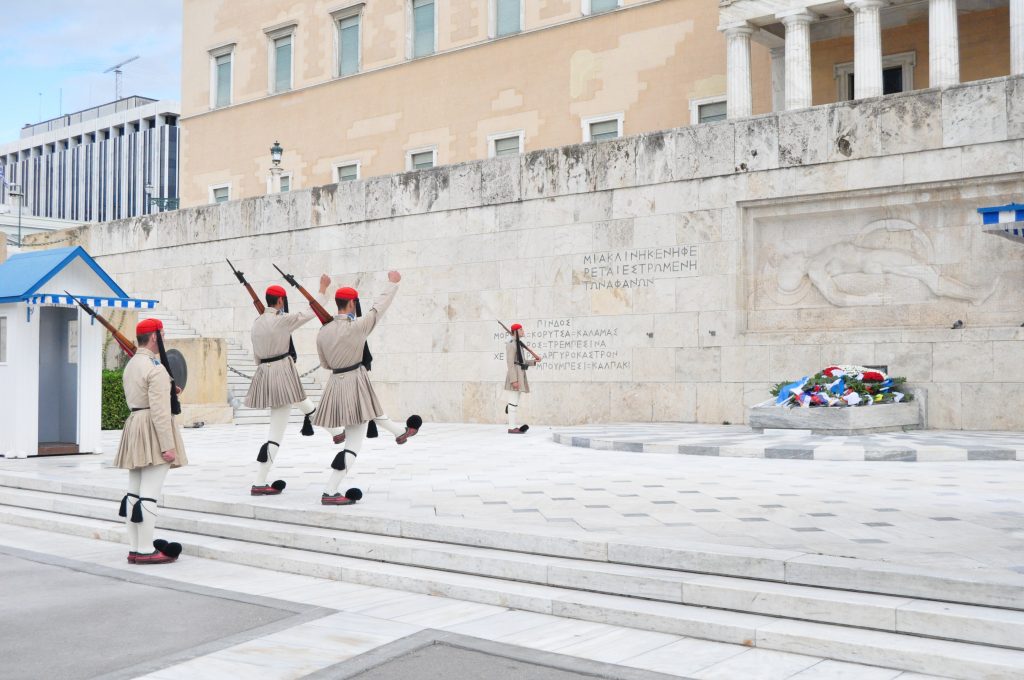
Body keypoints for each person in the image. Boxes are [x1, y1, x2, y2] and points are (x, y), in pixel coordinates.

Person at [313, 271, 401, 505]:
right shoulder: (358, 327)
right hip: (355, 383)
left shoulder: (323, 332)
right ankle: (330, 491)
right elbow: (378, 308)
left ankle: (400, 432)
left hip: (335, 384)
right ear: (352, 303)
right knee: (353, 444)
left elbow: (324, 363)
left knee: (353, 440)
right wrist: (392, 284)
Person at [245, 275, 330, 496]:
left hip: (265, 372)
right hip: (282, 371)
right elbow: (311, 312)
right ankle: (259, 481)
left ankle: (336, 432)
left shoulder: (256, 323)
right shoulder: (281, 320)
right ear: (281, 301)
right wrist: (322, 289)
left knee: (300, 405)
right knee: (276, 432)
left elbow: (256, 355)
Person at [115, 318, 189, 565]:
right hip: (152, 427)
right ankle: (147, 549)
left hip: (135, 423)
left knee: (133, 492)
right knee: (149, 493)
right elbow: (159, 411)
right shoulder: (156, 368)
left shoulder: (132, 364)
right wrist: (167, 445)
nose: (165, 338)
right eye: (163, 334)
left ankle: (135, 548)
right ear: (155, 337)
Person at [504, 323, 541, 434]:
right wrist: (513, 380)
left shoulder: (518, 344)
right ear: (515, 332)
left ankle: (509, 408)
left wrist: (534, 361)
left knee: (514, 401)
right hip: (515, 375)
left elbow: (521, 362)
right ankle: (512, 427)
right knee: (513, 403)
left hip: (520, 374)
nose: (523, 331)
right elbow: (510, 364)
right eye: (520, 330)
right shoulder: (511, 344)